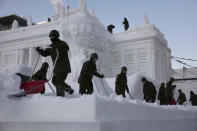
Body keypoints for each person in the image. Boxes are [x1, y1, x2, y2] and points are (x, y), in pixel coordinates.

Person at [36, 30, 73, 97]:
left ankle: (60, 97)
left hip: (63, 68)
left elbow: (66, 48)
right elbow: (45, 53)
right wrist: (39, 50)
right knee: (54, 81)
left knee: (59, 82)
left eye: (52, 36)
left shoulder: (62, 43)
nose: (51, 38)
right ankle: (67, 88)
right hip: (57, 68)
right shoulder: (52, 46)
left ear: (56, 36)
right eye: (50, 37)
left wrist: (56, 48)